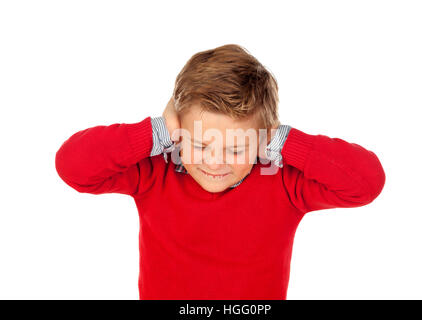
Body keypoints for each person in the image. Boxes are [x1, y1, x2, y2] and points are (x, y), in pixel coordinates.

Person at [55, 44, 386, 299]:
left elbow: (365, 183)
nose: (215, 162)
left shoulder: (282, 180)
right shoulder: (156, 171)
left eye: (236, 148)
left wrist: (279, 140)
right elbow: (73, 167)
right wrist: (158, 131)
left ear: (261, 140)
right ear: (177, 132)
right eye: (200, 145)